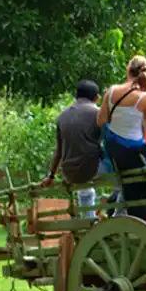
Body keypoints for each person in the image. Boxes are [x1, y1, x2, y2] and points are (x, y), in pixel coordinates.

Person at [97, 55, 146, 225]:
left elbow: (101, 121)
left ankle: (138, 222)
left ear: (128, 70)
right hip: (136, 151)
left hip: (116, 151)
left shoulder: (111, 92)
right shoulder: (145, 98)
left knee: (130, 188)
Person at [42, 80, 104, 219]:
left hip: (69, 171)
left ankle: (89, 220)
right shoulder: (97, 113)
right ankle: (117, 213)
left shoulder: (63, 116)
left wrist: (51, 176)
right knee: (122, 180)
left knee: (85, 190)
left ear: (76, 96)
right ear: (96, 98)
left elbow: (59, 151)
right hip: (91, 168)